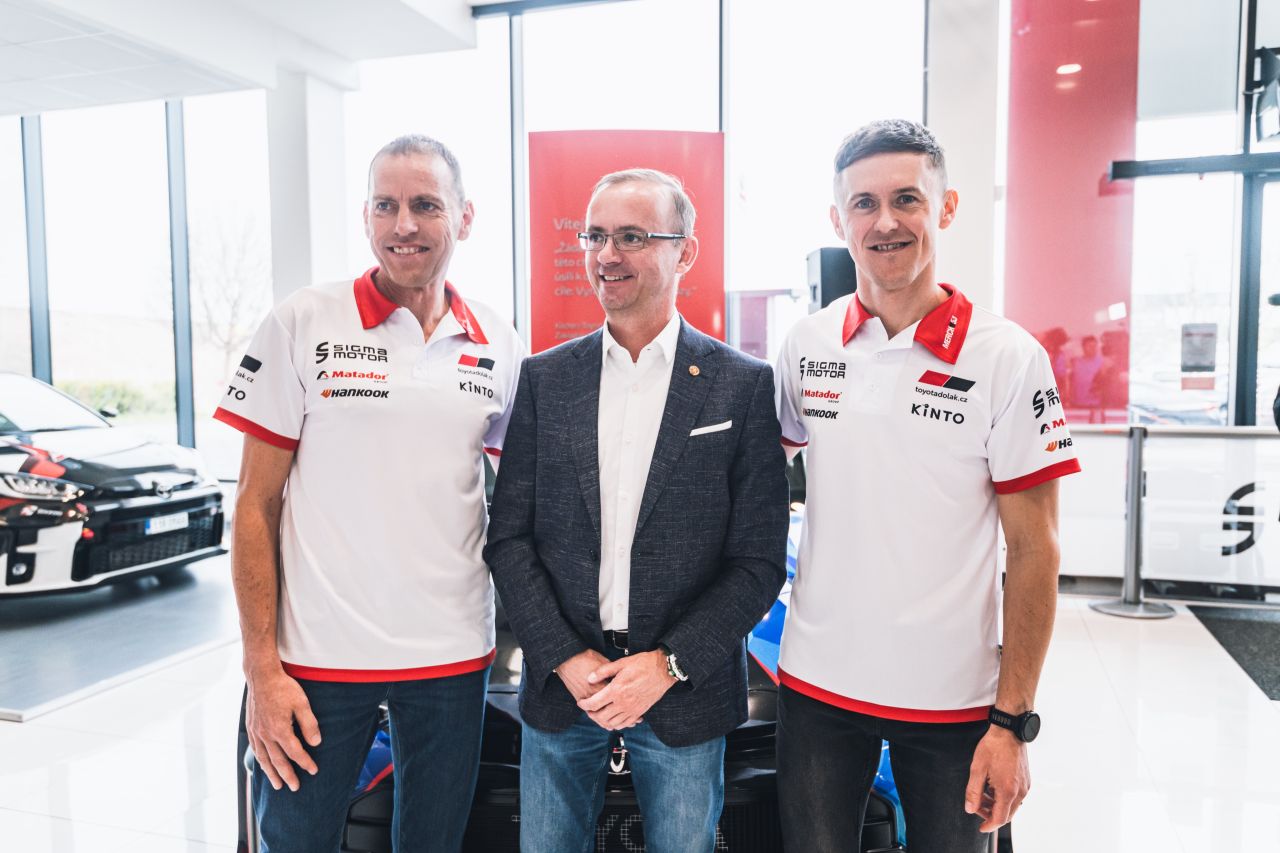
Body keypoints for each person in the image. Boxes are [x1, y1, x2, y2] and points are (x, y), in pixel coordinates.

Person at [773, 120, 1081, 852]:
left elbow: (1035, 550)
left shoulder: (1008, 357)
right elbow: (748, 484)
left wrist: (1013, 723)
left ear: (945, 207)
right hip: (816, 687)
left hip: (954, 702)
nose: (885, 221)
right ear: (838, 220)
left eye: (906, 198)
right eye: (864, 203)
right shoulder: (807, 344)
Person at [215, 134, 524, 852]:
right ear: (365, 217)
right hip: (317, 658)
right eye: (385, 206)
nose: (403, 225)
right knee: (296, 840)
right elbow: (255, 506)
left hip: (452, 655)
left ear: (465, 217)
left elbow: (528, 497)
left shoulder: (499, 340)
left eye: (425, 205)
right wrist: (261, 668)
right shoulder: (303, 321)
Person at [484, 168, 788, 853]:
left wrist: (668, 665)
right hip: (564, 691)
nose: (606, 254)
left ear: (686, 252)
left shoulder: (740, 386)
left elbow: (758, 561)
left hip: (683, 692)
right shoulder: (544, 379)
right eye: (595, 236)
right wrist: (565, 657)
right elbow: (509, 540)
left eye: (631, 236)